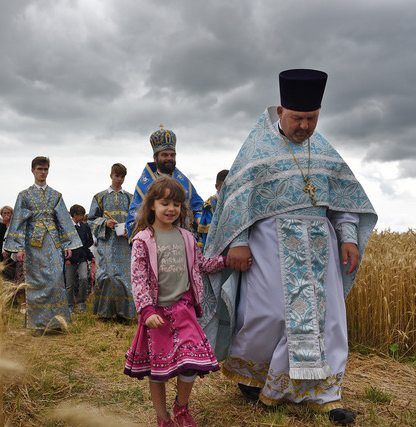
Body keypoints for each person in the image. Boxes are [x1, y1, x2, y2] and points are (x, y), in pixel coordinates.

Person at [200, 69, 378, 425]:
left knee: (327, 321)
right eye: (298, 118)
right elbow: (236, 202)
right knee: (269, 316)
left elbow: (343, 200)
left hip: (319, 249)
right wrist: (238, 243)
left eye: (312, 118)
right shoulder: (256, 148)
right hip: (269, 245)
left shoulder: (324, 149)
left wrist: (347, 237)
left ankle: (326, 393)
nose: (304, 126)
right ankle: (257, 379)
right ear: (281, 111)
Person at [124, 176, 227, 427]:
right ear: (152, 205)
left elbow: (200, 265)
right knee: (158, 371)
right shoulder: (143, 240)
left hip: (184, 310)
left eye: (177, 204)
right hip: (156, 314)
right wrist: (146, 310)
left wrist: (226, 261)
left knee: (191, 364)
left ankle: (181, 407)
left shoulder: (188, 238)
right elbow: (138, 278)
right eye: (165, 203)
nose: (171, 209)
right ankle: (163, 417)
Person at [4, 156, 82, 335]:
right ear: (32, 170)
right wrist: (19, 248)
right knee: (36, 283)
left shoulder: (56, 195)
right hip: (33, 245)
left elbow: (63, 220)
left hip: (54, 244)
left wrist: (68, 244)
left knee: (56, 280)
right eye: (39, 169)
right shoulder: (24, 195)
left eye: (45, 169)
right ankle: (38, 324)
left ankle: (56, 322)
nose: (43, 172)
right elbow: (18, 222)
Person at [125, 126, 204, 238]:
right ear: (155, 157)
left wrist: (200, 219)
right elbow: (134, 215)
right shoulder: (144, 185)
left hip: (182, 237)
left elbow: (197, 205)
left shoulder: (184, 182)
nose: (169, 158)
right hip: (154, 238)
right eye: (165, 155)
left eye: (172, 155)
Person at [87, 163, 136, 321]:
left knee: (124, 278)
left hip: (124, 244)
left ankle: (124, 314)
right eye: (117, 176)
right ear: (111, 175)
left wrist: (130, 230)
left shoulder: (130, 197)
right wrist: (104, 223)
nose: (119, 179)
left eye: (122, 177)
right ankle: (105, 313)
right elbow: (91, 220)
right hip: (107, 243)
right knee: (107, 276)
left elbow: (136, 219)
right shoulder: (99, 197)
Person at [63, 204, 94, 313]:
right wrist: (65, 258)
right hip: (69, 260)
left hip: (82, 258)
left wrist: (89, 255)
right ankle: (70, 306)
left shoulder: (85, 227)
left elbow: (88, 242)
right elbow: (62, 243)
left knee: (84, 279)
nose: (83, 217)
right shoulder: (66, 227)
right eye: (82, 215)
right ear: (75, 215)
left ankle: (82, 303)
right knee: (70, 284)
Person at [197, 169, 229, 249]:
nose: (227, 191)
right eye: (223, 188)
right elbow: (209, 232)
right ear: (216, 186)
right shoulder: (209, 205)